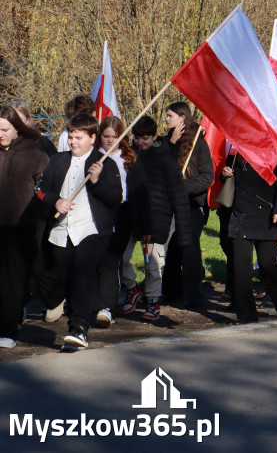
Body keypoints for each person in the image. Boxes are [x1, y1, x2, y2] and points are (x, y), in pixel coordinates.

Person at [34, 113, 122, 349]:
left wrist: (97, 181)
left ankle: (79, 328)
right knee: (55, 274)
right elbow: (40, 190)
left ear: (93, 138)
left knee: (83, 273)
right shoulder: (58, 160)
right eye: (71, 137)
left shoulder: (105, 163)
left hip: (91, 230)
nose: (73, 142)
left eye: (78, 137)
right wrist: (55, 201)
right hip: (61, 230)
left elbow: (115, 198)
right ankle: (58, 301)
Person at [119, 115, 191, 321]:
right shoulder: (131, 157)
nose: (141, 142)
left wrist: (185, 232)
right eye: (137, 138)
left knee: (154, 264)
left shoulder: (166, 160)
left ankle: (152, 299)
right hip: (133, 217)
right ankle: (132, 288)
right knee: (122, 257)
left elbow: (178, 196)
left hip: (158, 219)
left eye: (145, 138)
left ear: (154, 136)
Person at [0, 106, 49, 348]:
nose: (0, 134)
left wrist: (41, 208)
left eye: (4, 129)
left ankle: (8, 331)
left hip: (22, 228)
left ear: (17, 129)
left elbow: (45, 191)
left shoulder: (35, 154)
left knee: (13, 280)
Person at [224, 155, 277, 323]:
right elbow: (228, 179)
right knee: (240, 268)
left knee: (267, 263)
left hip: (268, 216)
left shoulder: (274, 152)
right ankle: (246, 314)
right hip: (241, 215)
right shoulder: (236, 152)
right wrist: (225, 174)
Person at [162, 102, 213, 308]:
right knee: (172, 249)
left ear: (182, 118)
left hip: (192, 205)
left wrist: (183, 188)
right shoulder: (165, 142)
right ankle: (171, 291)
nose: (167, 119)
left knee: (189, 247)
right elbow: (160, 167)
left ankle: (194, 296)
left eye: (170, 116)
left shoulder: (199, 144)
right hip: (169, 205)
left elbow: (207, 176)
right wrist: (172, 143)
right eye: (167, 116)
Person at [91, 116, 134, 328]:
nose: (109, 140)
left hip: (122, 212)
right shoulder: (94, 157)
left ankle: (107, 307)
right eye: (106, 136)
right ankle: (95, 302)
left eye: (114, 136)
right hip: (98, 212)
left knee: (112, 259)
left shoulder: (129, 159)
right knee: (96, 259)